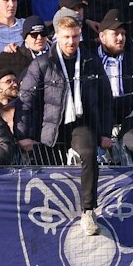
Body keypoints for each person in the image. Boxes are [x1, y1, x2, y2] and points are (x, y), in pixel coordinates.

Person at [14, 14, 112, 234]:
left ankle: (88, 211)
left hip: (81, 122)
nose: (71, 41)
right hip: (50, 125)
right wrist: (22, 135)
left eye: (75, 36)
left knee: (88, 154)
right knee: (47, 164)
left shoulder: (90, 60)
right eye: (66, 37)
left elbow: (106, 97)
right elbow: (25, 100)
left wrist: (105, 132)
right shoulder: (42, 63)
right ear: (56, 36)